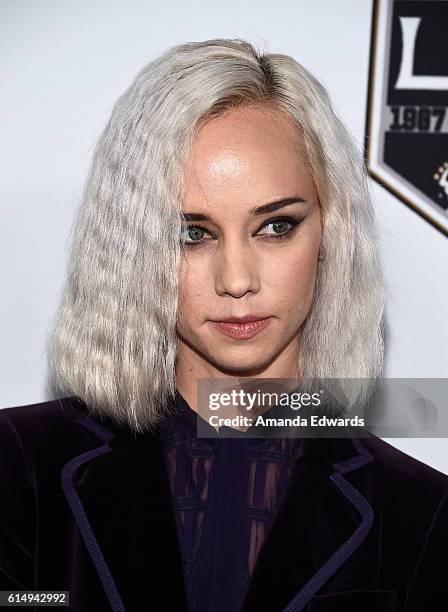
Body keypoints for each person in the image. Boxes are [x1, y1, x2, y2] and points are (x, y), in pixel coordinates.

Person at [1, 38, 447, 612]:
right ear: (131, 247)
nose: (237, 280)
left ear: (332, 232)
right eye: (193, 233)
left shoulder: (422, 513)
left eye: (276, 226)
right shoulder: (20, 469)